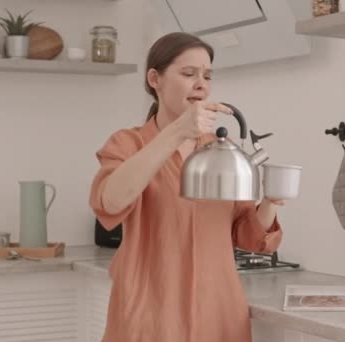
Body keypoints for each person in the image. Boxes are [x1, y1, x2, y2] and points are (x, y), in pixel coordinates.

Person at [89, 32, 285, 342]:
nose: (201, 84)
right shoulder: (128, 143)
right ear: (155, 78)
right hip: (150, 313)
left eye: (207, 75)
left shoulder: (222, 151)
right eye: (188, 73)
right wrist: (178, 130)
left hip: (217, 311)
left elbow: (247, 235)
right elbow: (110, 203)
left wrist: (271, 200)